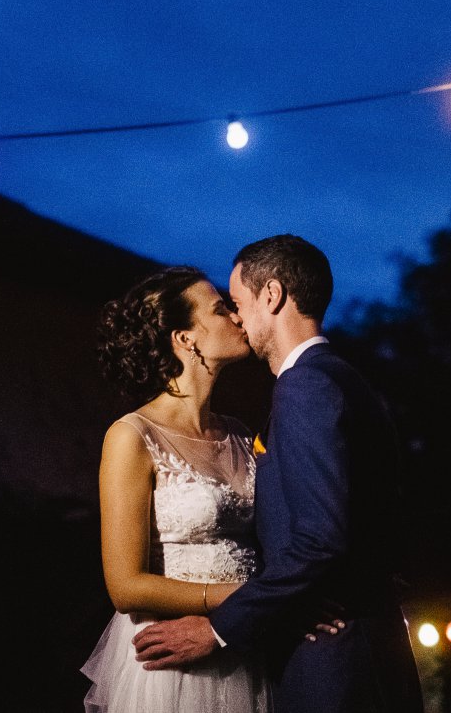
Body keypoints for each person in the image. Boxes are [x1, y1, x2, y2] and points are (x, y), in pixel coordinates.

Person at [132, 235, 424, 712]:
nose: (237, 317)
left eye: (239, 302)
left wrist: (217, 629)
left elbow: (319, 540)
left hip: (336, 661)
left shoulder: (305, 386)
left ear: (271, 295)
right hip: (357, 649)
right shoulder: (342, 378)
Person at [81, 265, 272, 712]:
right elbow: (125, 586)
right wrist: (242, 596)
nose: (238, 318)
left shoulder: (243, 436)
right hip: (173, 665)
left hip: (242, 648)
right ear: (185, 338)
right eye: (221, 309)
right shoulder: (132, 435)